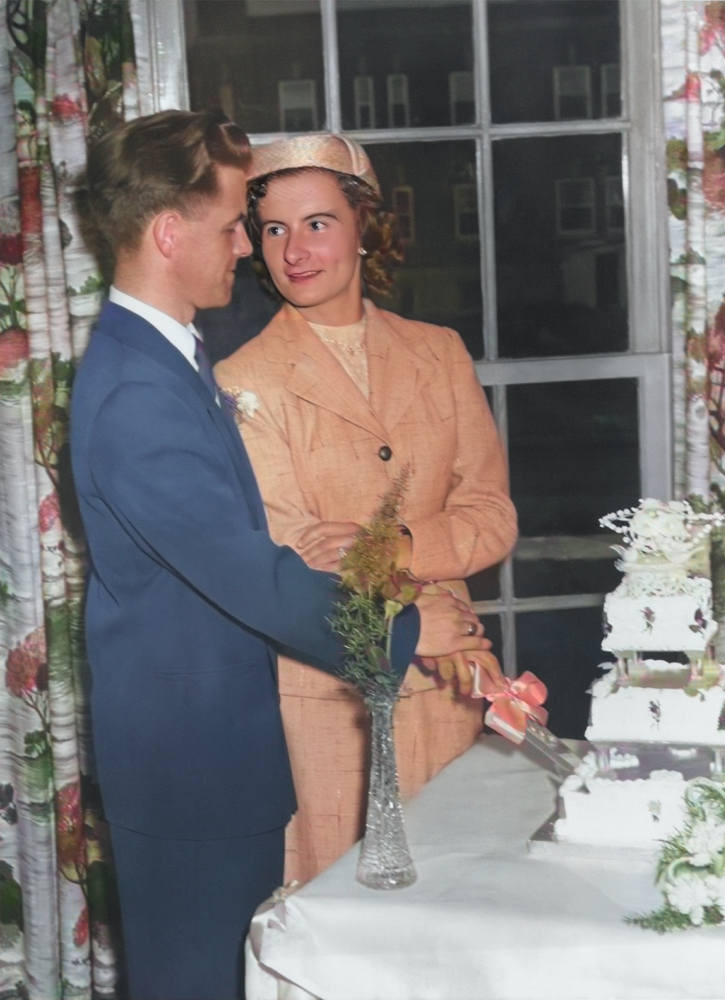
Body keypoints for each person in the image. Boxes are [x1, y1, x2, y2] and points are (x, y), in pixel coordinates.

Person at [70, 111, 490, 1000]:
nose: (250, 251)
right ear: (169, 233)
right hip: (193, 770)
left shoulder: (167, 362)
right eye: (237, 227)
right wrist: (411, 627)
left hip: (218, 759)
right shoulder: (140, 395)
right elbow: (253, 575)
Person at [215, 134, 518, 885]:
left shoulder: (439, 351)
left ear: (364, 227)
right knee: (344, 916)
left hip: (453, 681)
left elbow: (492, 515)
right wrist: (406, 611)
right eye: (274, 229)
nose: (294, 250)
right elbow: (290, 553)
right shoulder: (243, 378)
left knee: (461, 909)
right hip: (331, 698)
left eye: (317, 222)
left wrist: (396, 548)